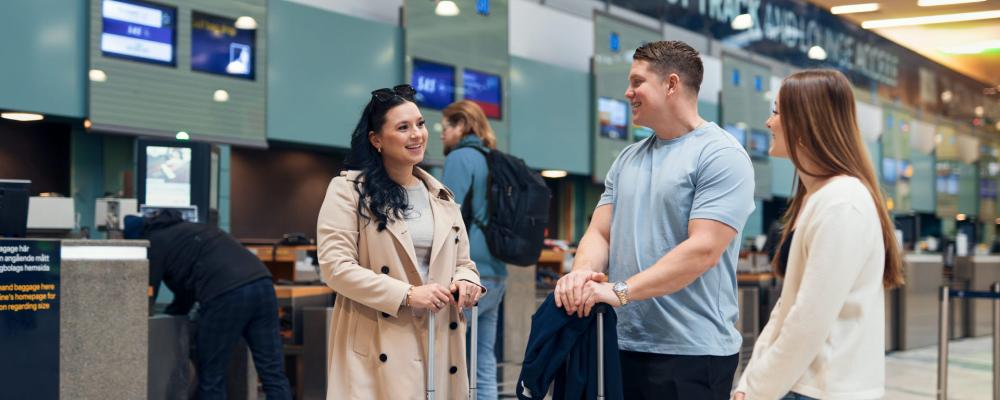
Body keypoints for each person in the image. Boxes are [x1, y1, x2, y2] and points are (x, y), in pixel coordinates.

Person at [556, 40, 756, 400]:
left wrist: (619, 291)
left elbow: (703, 250)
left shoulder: (721, 155)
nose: (627, 92)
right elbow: (600, 232)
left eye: (637, 82)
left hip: (691, 353)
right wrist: (582, 273)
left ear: (671, 84)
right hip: (621, 342)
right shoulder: (628, 158)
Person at [732, 69, 904, 400]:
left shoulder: (842, 203)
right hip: (798, 384)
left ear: (806, 122)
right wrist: (750, 383)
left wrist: (755, 390)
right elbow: (788, 308)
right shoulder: (818, 197)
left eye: (778, 111)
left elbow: (808, 321)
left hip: (821, 389)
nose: (769, 123)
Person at [316, 84, 485, 399]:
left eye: (420, 124)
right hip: (379, 338)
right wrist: (407, 294)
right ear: (376, 140)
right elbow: (335, 268)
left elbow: (464, 262)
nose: (417, 134)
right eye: (403, 127)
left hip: (440, 340)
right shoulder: (348, 191)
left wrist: (467, 280)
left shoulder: (442, 197)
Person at [127, 209, 292, 400]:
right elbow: (187, 288)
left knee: (212, 374)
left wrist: (150, 315)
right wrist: (177, 311)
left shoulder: (154, 242)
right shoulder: (191, 229)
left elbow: (147, 290)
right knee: (272, 370)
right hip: (262, 282)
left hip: (225, 294)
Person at [440, 100, 507, 400]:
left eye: (446, 128)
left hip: (467, 273)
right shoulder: (493, 158)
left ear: (461, 126)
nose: (441, 134)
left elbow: (445, 214)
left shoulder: (460, 158)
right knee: (484, 361)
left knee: (448, 360)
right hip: (496, 271)